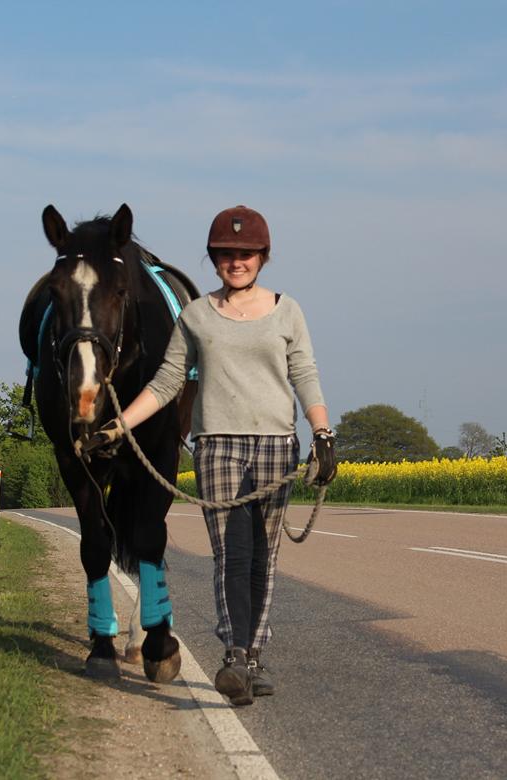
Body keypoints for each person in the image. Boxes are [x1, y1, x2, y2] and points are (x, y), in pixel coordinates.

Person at [84, 204, 336, 706]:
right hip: (217, 447)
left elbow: (304, 374)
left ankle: (255, 655)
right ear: (213, 258)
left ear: (262, 257)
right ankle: (235, 657)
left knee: (264, 558)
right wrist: (118, 425)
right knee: (231, 556)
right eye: (224, 253)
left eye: (245, 253)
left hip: (275, 447)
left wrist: (323, 432)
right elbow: (168, 381)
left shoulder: (288, 311)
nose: (235, 261)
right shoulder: (197, 316)